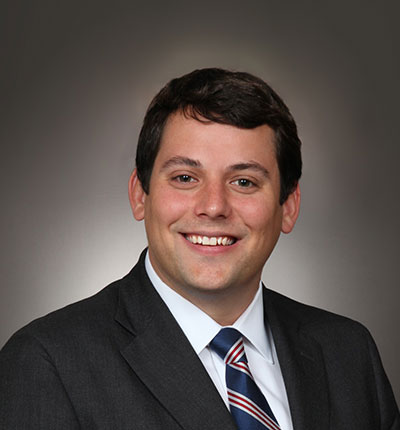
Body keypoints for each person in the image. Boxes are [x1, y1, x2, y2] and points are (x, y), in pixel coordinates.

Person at [0, 68, 398, 430]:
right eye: (185, 177)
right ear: (140, 196)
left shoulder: (348, 353)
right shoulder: (47, 363)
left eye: (244, 182)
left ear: (288, 207)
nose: (213, 206)